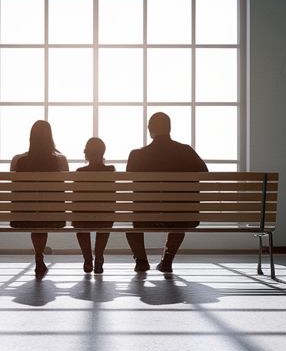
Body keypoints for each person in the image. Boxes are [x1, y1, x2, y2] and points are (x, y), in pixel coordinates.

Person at [124, 112, 207, 273]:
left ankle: (141, 261)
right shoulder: (186, 151)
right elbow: (204, 173)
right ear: (169, 128)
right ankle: (167, 261)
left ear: (150, 129)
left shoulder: (136, 155)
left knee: (133, 223)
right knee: (179, 219)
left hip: (145, 218)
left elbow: (131, 181)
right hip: (181, 217)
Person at [9, 120, 69, 276]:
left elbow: (15, 188)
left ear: (31, 137)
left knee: (36, 210)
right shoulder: (60, 160)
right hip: (54, 216)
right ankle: (39, 255)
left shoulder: (17, 160)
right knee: (43, 210)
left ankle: (39, 255)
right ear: (50, 137)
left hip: (21, 216)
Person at [73, 138, 114, 274]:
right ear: (103, 153)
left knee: (78, 220)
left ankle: (88, 259)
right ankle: (99, 258)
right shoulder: (111, 170)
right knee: (106, 217)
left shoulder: (79, 172)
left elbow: (76, 201)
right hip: (104, 219)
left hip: (83, 219)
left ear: (87, 153)